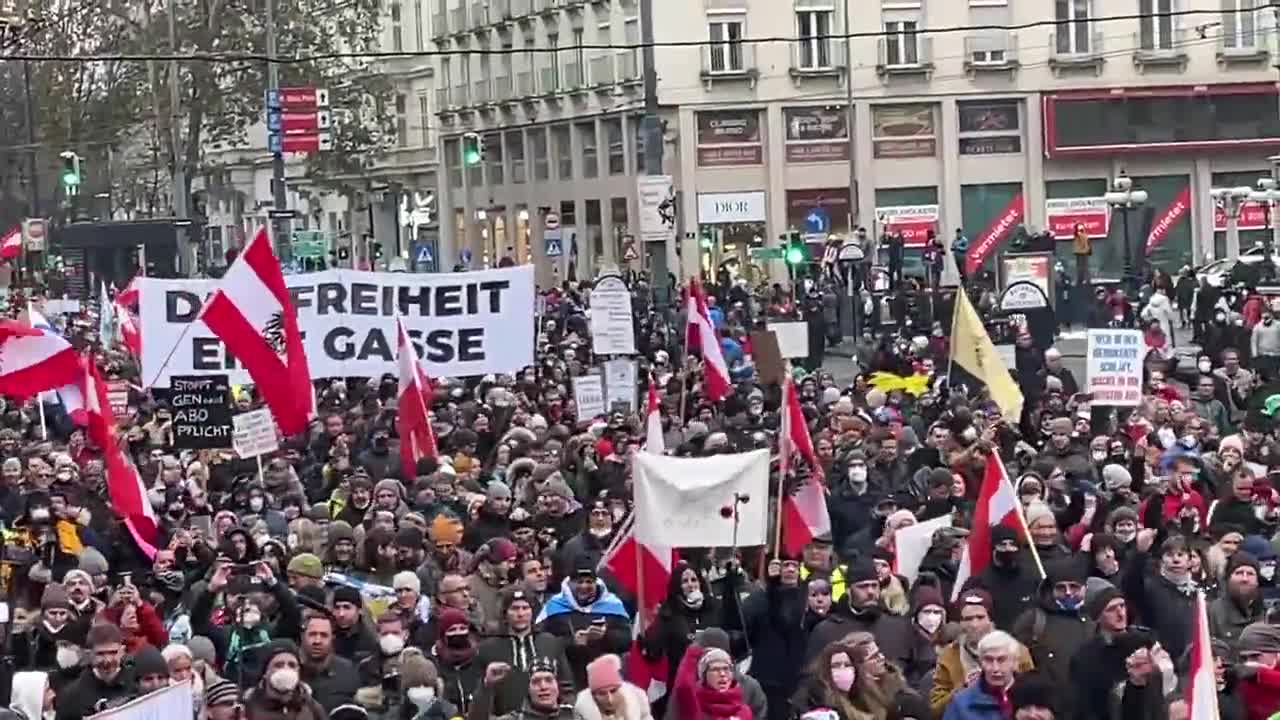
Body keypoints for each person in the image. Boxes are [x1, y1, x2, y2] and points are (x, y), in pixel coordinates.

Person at [535, 564, 631, 690]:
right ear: (570, 583)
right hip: (570, 678)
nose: (584, 586)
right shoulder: (554, 607)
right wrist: (572, 642)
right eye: (579, 582)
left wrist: (605, 636)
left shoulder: (612, 604)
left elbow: (626, 640)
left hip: (607, 679)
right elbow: (543, 642)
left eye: (589, 582)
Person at [55, 624, 137, 720]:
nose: (107, 660)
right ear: (89, 655)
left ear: (122, 651)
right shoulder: (71, 696)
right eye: (100, 654)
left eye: (113, 652)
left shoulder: (137, 683)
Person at [941, 631, 1020, 720]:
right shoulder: (960, 703)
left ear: (1015, 663)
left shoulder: (1031, 698)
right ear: (980, 663)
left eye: (1001, 660)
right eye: (988, 660)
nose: (995, 668)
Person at [571, 654, 651, 720]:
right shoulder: (583, 710)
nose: (610, 699)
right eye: (602, 694)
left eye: (613, 691)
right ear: (593, 695)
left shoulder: (639, 700)